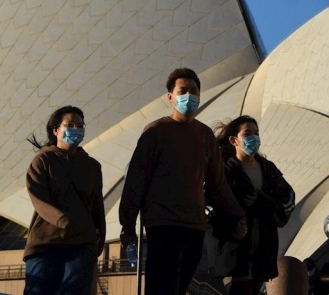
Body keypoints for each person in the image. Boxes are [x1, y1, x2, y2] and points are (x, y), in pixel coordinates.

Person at [119, 67, 246, 295]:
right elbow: (137, 179)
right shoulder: (156, 132)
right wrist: (127, 223)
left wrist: (237, 215)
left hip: (194, 226)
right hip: (163, 224)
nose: (189, 96)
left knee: (180, 289)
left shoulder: (205, 135)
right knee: (162, 289)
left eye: (194, 91)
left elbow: (218, 184)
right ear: (170, 97)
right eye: (183, 90)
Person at [206, 115, 296, 295]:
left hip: (262, 248)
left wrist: (259, 201)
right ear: (234, 140)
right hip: (232, 250)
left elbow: (288, 199)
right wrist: (232, 223)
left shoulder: (268, 169)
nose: (254, 138)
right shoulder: (221, 170)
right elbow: (206, 205)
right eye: (247, 134)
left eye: (256, 133)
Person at [23, 105, 105, 295]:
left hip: (81, 243)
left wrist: (98, 239)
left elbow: (96, 204)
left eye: (80, 125)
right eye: (70, 125)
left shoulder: (92, 166)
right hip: (45, 243)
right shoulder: (43, 160)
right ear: (56, 130)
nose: (76, 129)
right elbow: (38, 197)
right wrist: (62, 220)